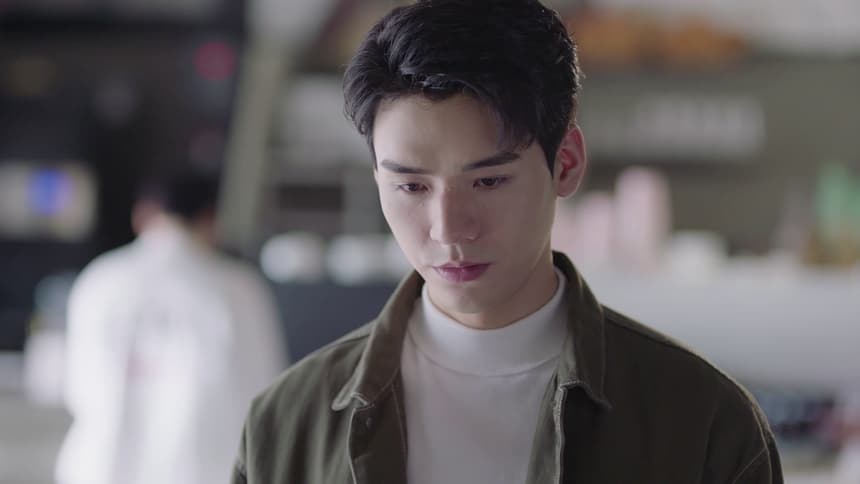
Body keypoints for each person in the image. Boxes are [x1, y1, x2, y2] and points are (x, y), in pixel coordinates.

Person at [232, 1, 782, 483]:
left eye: (489, 181)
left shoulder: (702, 422)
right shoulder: (286, 426)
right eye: (411, 186)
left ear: (566, 164)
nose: (449, 228)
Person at [56, 173, 287, 484]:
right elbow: (266, 397)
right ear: (211, 220)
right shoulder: (237, 290)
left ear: (142, 215)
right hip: (203, 471)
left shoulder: (99, 281)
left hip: (101, 469)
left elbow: (78, 386)